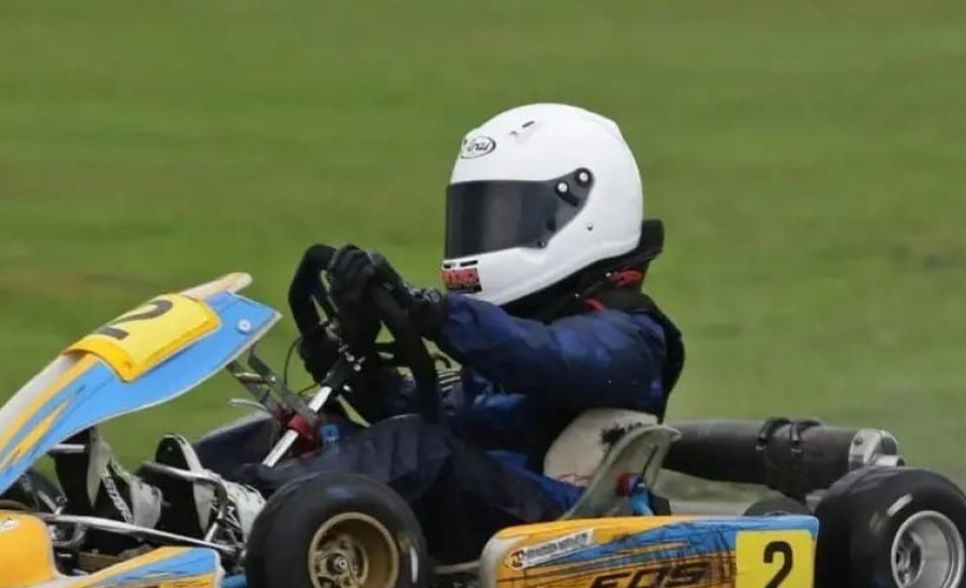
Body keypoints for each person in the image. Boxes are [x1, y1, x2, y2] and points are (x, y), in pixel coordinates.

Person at [60, 104, 684, 564]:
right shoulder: (519, 328)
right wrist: (357, 361)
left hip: (552, 527)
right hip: (477, 501)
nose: (483, 234)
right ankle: (148, 506)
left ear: (583, 211)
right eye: (479, 214)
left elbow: (552, 363)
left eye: (508, 214)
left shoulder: (630, 336)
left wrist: (439, 314)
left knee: (414, 448)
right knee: (301, 430)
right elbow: (448, 416)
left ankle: (241, 514)